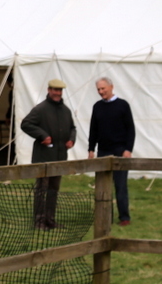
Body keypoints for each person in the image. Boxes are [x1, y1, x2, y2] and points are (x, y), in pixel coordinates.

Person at [21, 78, 76, 230]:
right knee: (41, 191)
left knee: (53, 190)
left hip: (59, 158)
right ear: (49, 90)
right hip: (43, 158)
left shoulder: (66, 110)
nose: (57, 93)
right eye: (55, 90)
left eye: (60, 90)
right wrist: (42, 135)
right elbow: (26, 124)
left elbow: (73, 128)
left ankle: (50, 220)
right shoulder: (40, 109)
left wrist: (71, 139)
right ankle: (39, 221)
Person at [88, 77, 135, 226]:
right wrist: (91, 149)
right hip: (103, 151)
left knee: (120, 186)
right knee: (102, 186)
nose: (101, 92)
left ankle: (124, 217)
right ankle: (104, 216)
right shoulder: (97, 107)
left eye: (103, 88)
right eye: (99, 90)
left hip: (120, 151)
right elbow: (93, 129)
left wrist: (128, 149)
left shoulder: (123, 105)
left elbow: (130, 129)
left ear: (111, 87)